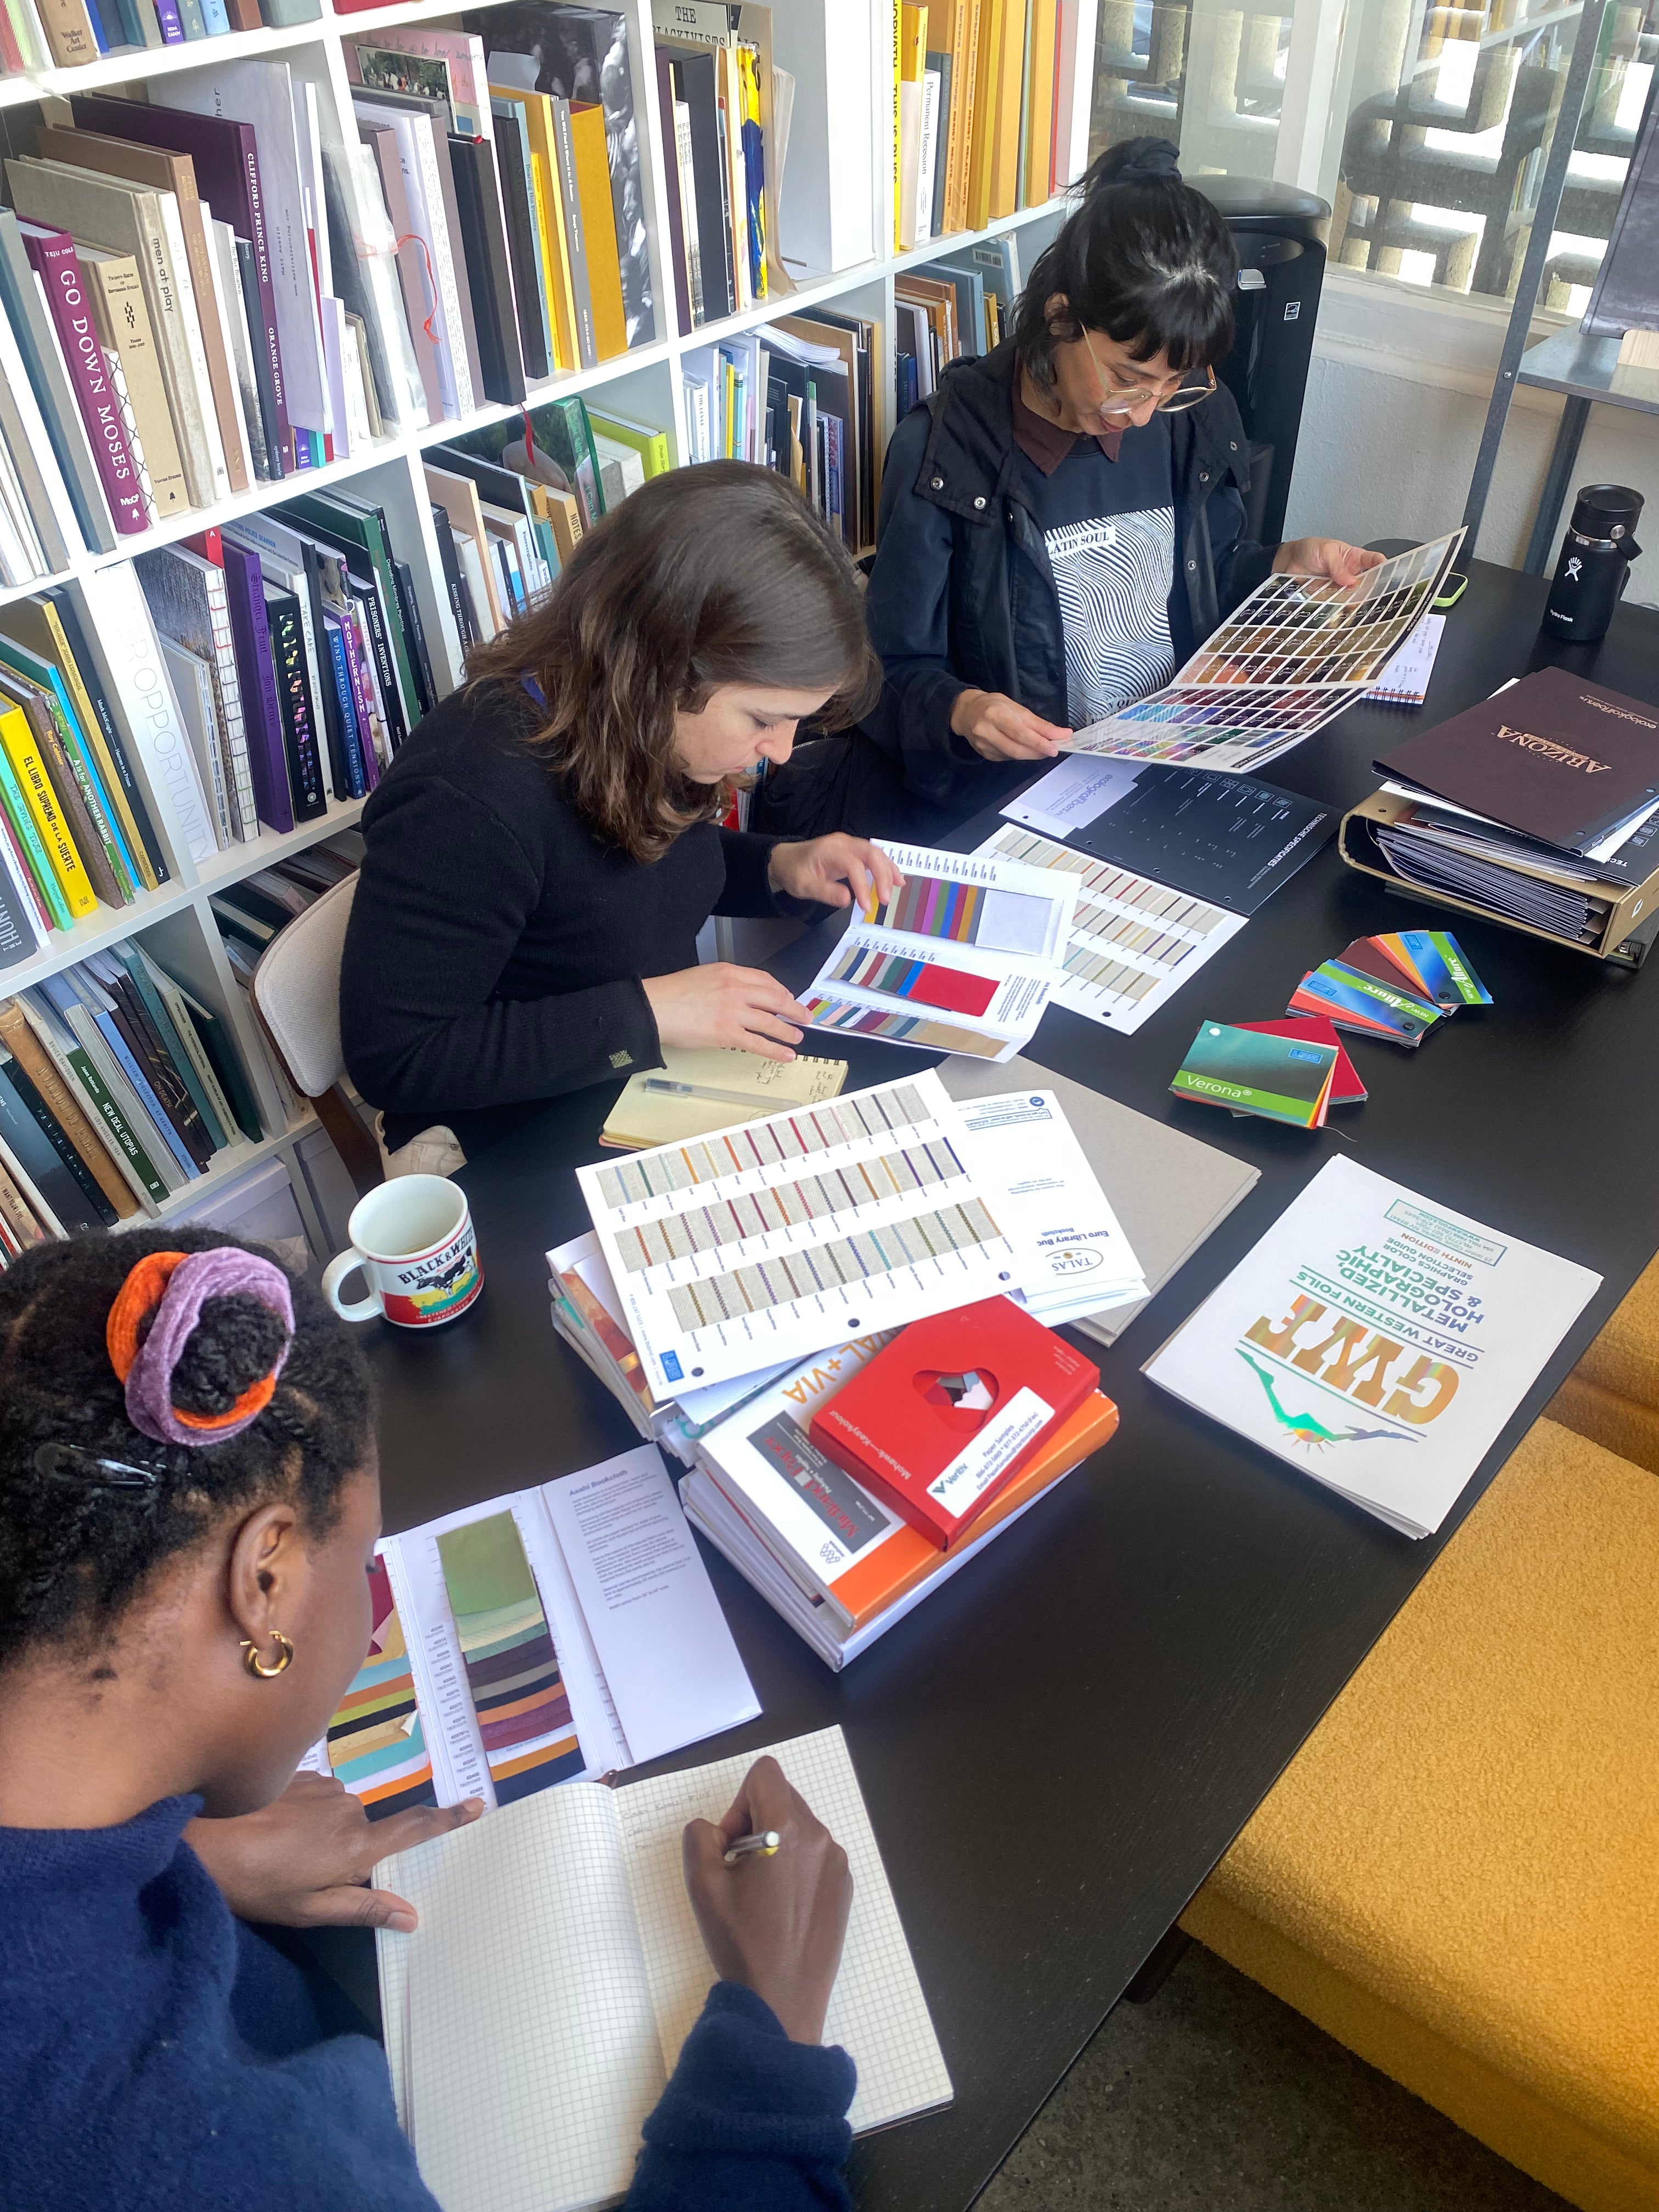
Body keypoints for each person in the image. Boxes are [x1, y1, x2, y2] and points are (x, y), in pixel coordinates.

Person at [0, 1227, 859, 2212]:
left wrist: (176, 1853)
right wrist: (775, 2049)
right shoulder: (214, 2157)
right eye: (365, 1565)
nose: (372, 1625)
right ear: (264, 1579)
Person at [752, 136, 1383, 842]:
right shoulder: (948, 451)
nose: (1146, 411)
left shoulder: (1193, 418)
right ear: (1060, 319)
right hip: (1025, 804)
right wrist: (961, 711)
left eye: (1175, 386)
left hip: (1168, 774)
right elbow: (887, 668)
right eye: (1127, 379)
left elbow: (1197, 583)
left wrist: (1277, 566)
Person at [341, 462, 899, 1163]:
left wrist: (779, 867)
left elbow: (620, 884)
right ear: (664, 664)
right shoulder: (466, 802)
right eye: (764, 717)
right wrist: (652, 1011)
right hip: (516, 1135)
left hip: (634, 1079)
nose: (781, 753)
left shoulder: (629, 724)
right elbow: (399, 1058)